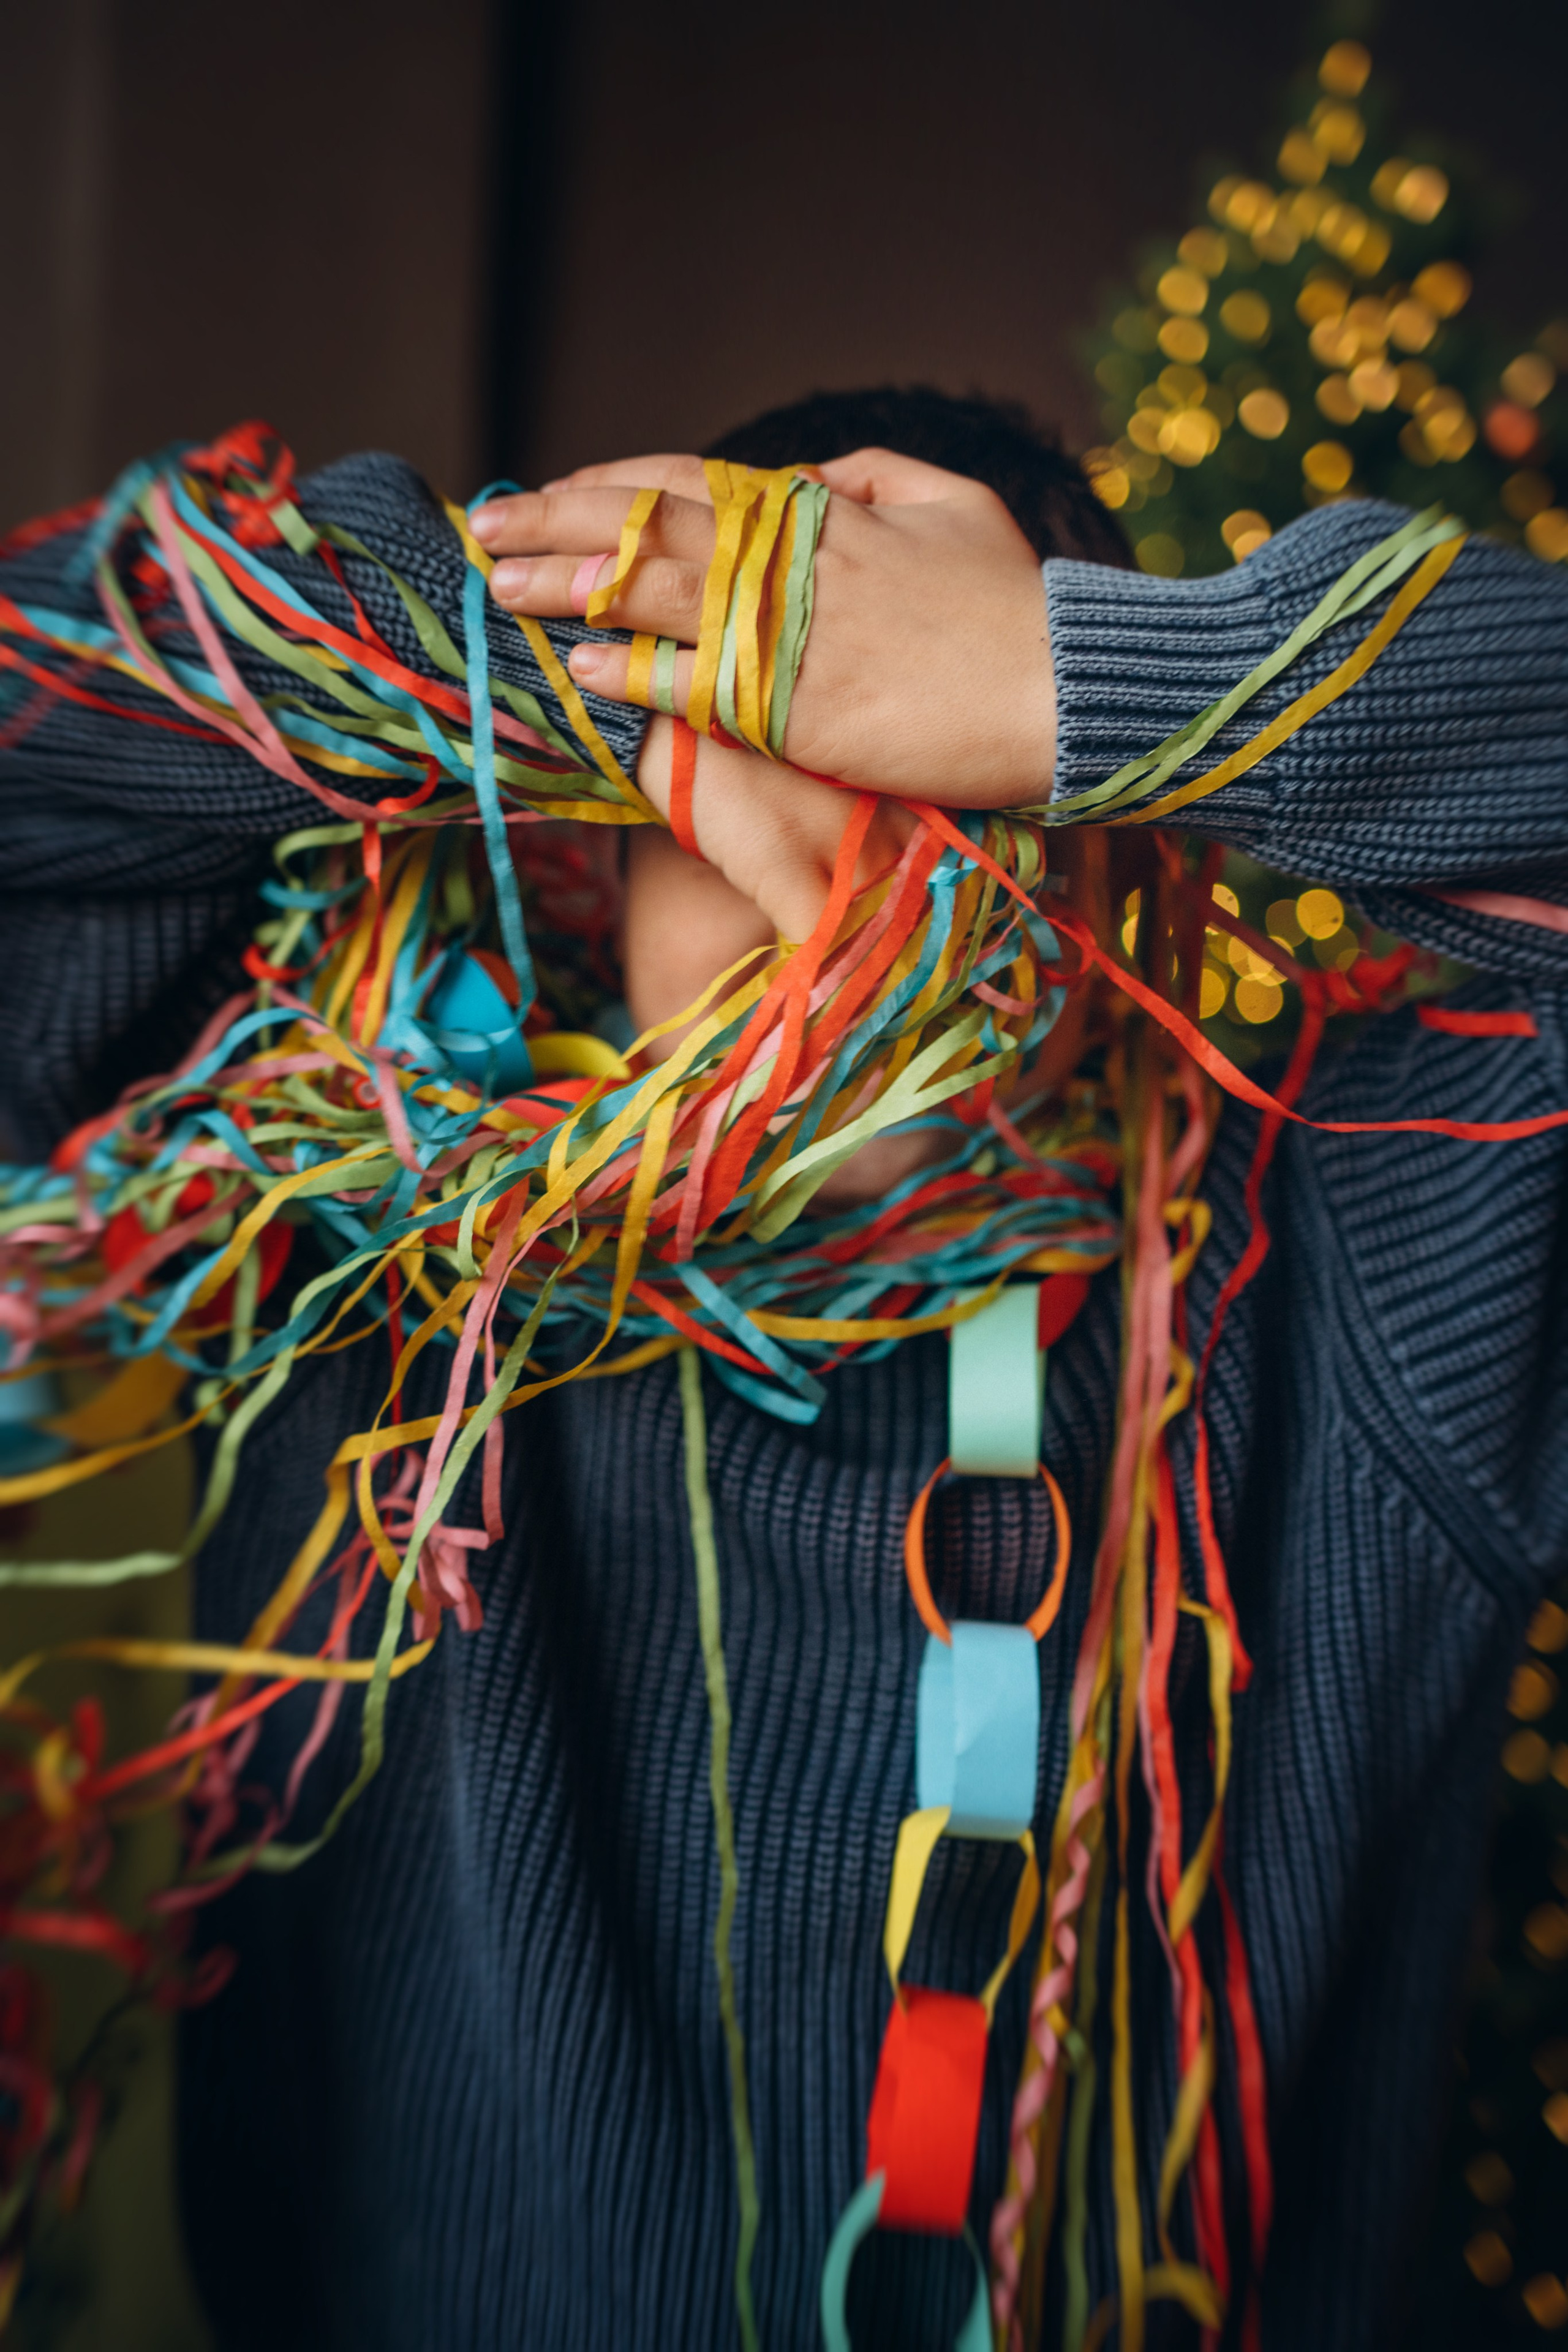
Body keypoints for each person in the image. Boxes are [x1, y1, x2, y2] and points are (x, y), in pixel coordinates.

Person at [5, 386, 1562, 2352]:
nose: (862, 871)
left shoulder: (1354, 1284)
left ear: (1127, 883)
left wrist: (1073, 674)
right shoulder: (382, 1233)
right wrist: (541, 636)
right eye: (770, 754)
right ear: (588, 859)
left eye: (978, 790)